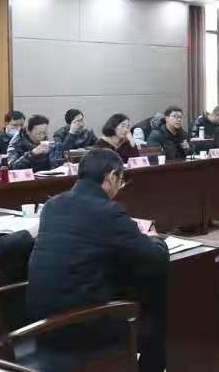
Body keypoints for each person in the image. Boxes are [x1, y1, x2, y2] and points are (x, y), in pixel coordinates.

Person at [27, 148, 169, 372]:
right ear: (111, 177)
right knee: (155, 287)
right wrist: (154, 239)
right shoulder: (107, 211)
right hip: (78, 326)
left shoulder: (53, 205)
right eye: (121, 181)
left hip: (40, 323)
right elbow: (154, 257)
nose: (120, 187)